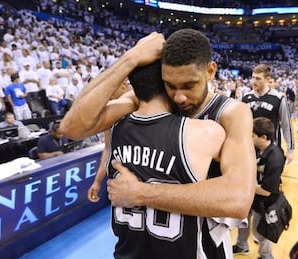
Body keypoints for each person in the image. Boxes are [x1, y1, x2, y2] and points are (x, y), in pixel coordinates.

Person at [61, 29, 255, 229]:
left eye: (189, 85)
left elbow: (238, 199)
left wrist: (140, 193)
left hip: (204, 245)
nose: (179, 97)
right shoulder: (151, 100)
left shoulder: (231, 113)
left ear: (210, 71)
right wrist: (130, 58)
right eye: (170, 85)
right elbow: (72, 127)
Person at [106, 59, 229, 258]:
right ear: (168, 84)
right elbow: (238, 193)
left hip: (126, 251)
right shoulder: (205, 132)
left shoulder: (115, 128)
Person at [233, 117, 286, 259]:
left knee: (261, 231)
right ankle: (241, 246)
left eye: (252, 135)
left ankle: (266, 255)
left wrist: (241, 185)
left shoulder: (275, 157)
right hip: (251, 196)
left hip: (264, 201)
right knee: (242, 222)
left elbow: (267, 191)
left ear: (263, 137)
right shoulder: (256, 148)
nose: (249, 138)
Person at [242, 64, 295, 163]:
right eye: (253, 78)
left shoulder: (278, 98)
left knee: (270, 177)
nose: (254, 81)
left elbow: (286, 125)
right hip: (250, 147)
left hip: (271, 147)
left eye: (258, 78)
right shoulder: (245, 97)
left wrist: (290, 149)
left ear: (267, 79)